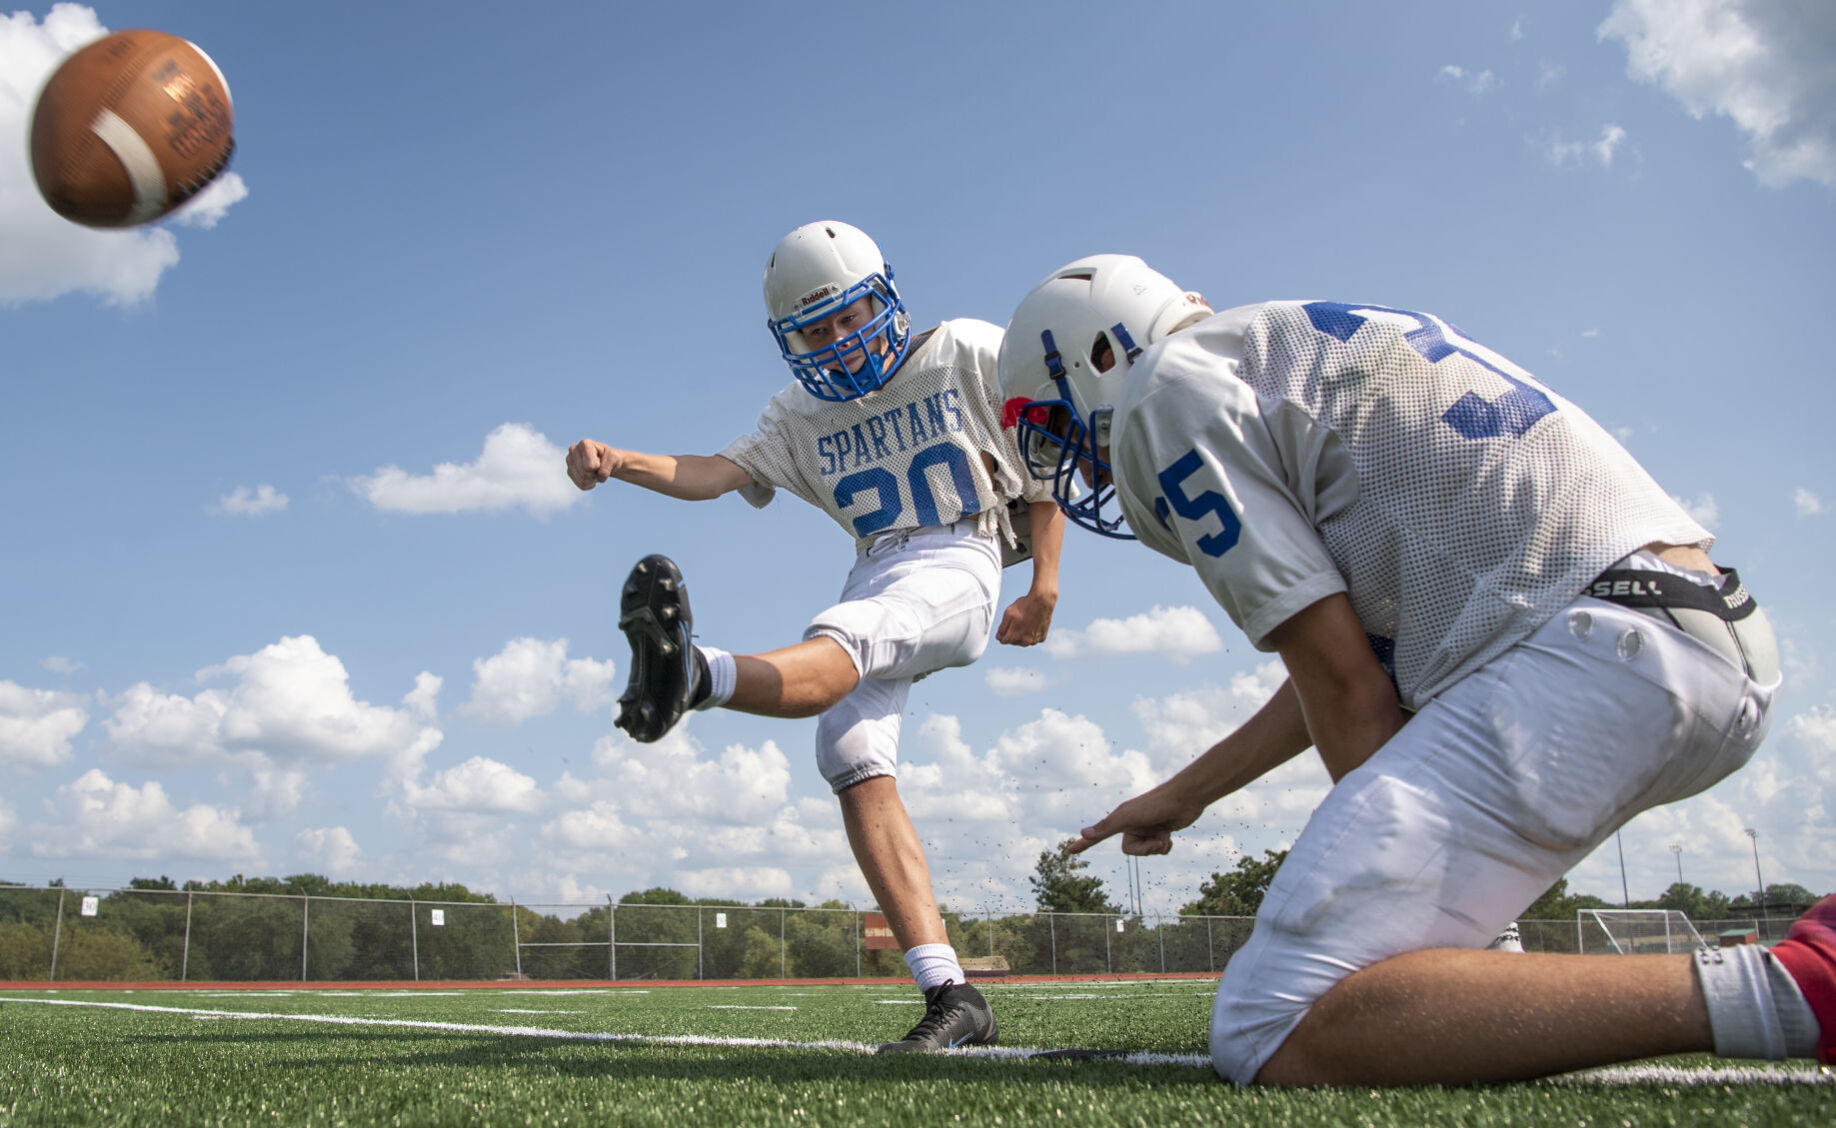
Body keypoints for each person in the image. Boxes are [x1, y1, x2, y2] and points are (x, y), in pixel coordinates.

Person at [994, 254, 1831, 1085]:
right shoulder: (1265, 343)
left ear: (1101, 358)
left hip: (1595, 652)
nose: (1076, 464)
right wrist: (1191, 791)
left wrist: (1430, 927)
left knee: (1269, 1022)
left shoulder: (1160, 396)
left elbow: (1350, 691)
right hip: (1680, 629)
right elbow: (1343, 660)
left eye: (1059, 428)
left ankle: (1801, 986)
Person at [566, 221, 1064, 1053]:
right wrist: (621, 461)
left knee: (857, 636)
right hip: (877, 560)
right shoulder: (799, 412)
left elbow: (1044, 462)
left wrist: (1045, 583)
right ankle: (952, 992)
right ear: (790, 340)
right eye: (815, 329)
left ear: (886, 297)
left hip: (961, 548)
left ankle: (694, 673)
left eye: (848, 314)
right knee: (849, 748)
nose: (838, 339)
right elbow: (714, 473)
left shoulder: (967, 351)